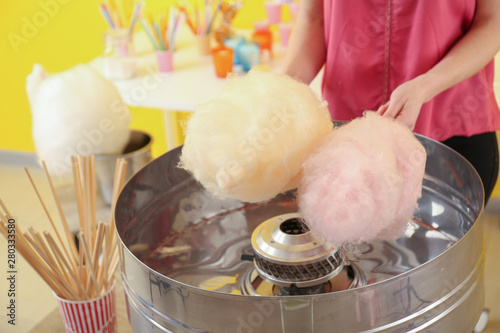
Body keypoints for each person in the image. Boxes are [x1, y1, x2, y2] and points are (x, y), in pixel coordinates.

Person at [281, 0, 500, 204]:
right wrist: (282, 89)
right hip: (346, 138)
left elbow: (491, 22)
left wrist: (425, 86)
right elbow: (314, 19)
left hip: (452, 132)